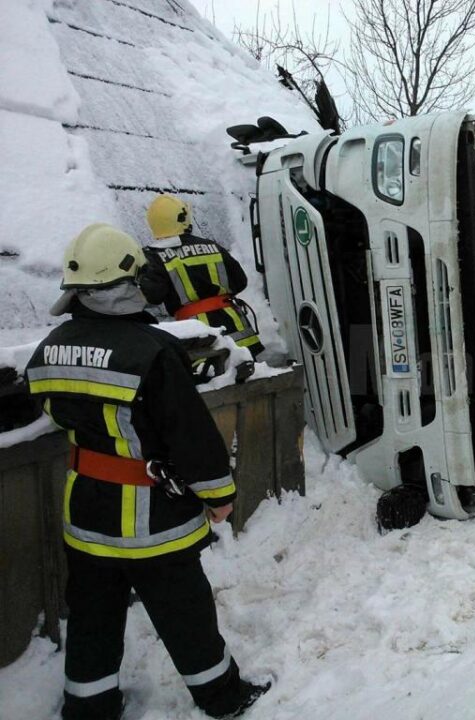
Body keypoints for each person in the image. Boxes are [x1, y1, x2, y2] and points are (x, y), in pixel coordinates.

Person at [25, 224, 269, 720]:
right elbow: (190, 434)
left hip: (86, 513)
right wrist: (218, 494)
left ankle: (89, 707)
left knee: (93, 614)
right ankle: (222, 697)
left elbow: (53, 410)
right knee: (184, 611)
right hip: (154, 517)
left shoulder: (50, 348)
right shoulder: (152, 350)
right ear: (127, 281)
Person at [141, 195, 264, 356]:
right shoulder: (211, 245)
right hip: (239, 331)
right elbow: (240, 281)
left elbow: (153, 296)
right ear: (183, 219)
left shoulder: (155, 256)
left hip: (201, 340)